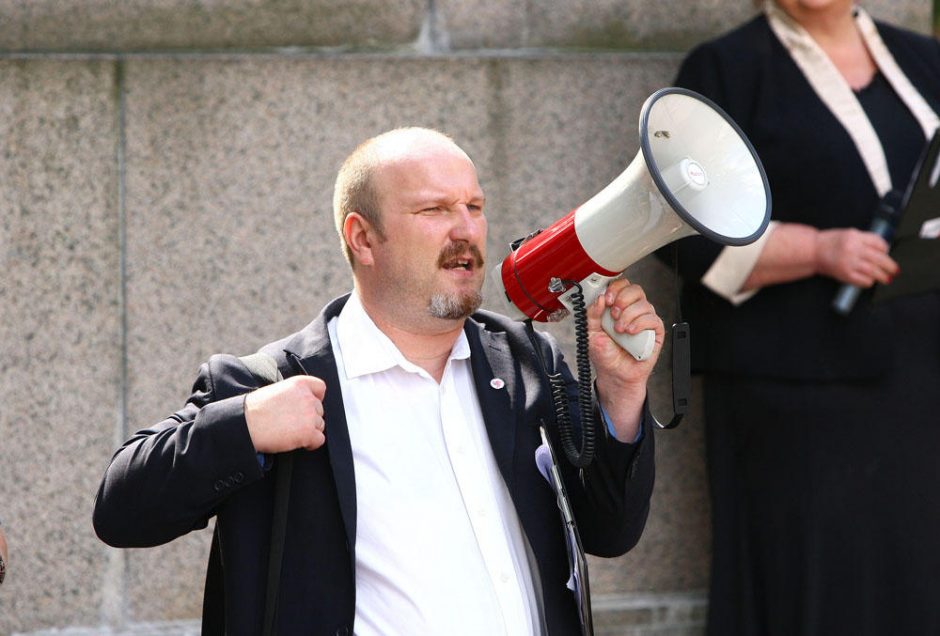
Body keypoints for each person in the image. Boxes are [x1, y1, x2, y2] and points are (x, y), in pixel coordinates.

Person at [94, 127, 664, 635]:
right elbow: (120, 510)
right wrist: (243, 428)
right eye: (435, 210)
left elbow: (610, 532)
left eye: (475, 205)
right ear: (363, 238)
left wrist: (620, 394)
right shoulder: (270, 382)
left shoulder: (526, 362)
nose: (466, 230)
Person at [666, 1, 940, 635]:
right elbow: (684, 230)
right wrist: (819, 250)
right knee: (817, 593)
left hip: (922, 388)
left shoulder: (925, 61)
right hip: (796, 397)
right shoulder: (725, 71)